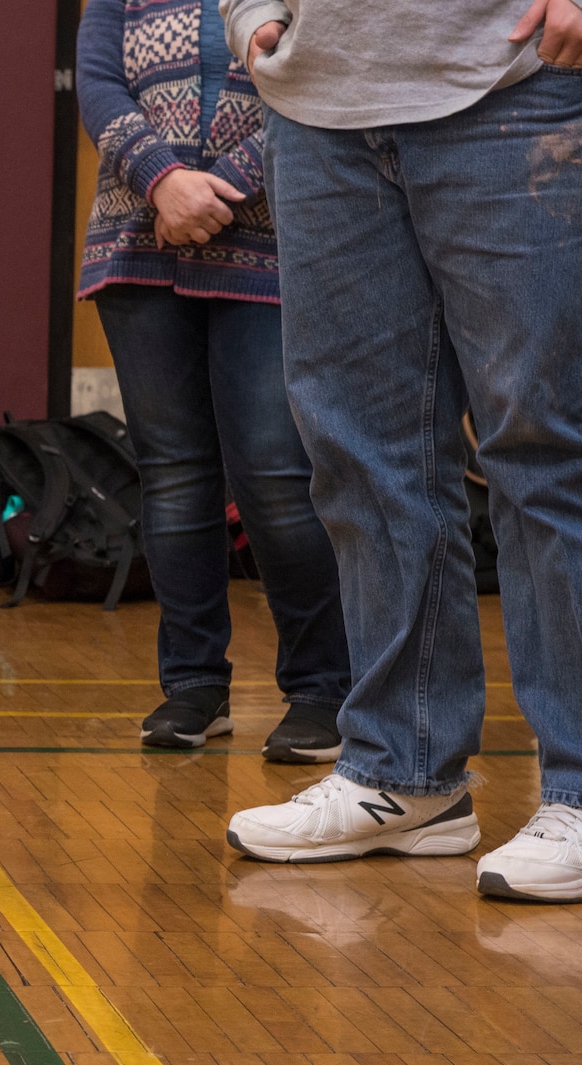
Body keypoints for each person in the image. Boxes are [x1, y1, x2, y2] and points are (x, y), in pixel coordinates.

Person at [222, 0, 582, 902]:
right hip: (318, 105)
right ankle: (404, 771)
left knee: (540, 445)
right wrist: (248, 10)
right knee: (361, 454)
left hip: (514, 80)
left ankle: (579, 783)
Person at [77, 0, 350, 760]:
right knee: (172, 476)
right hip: (139, 235)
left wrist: (218, 190)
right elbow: (97, 81)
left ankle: (322, 687)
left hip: (266, 240)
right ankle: (193, 684)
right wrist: (163, 181)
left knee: (275, 475)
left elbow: (320, 76)